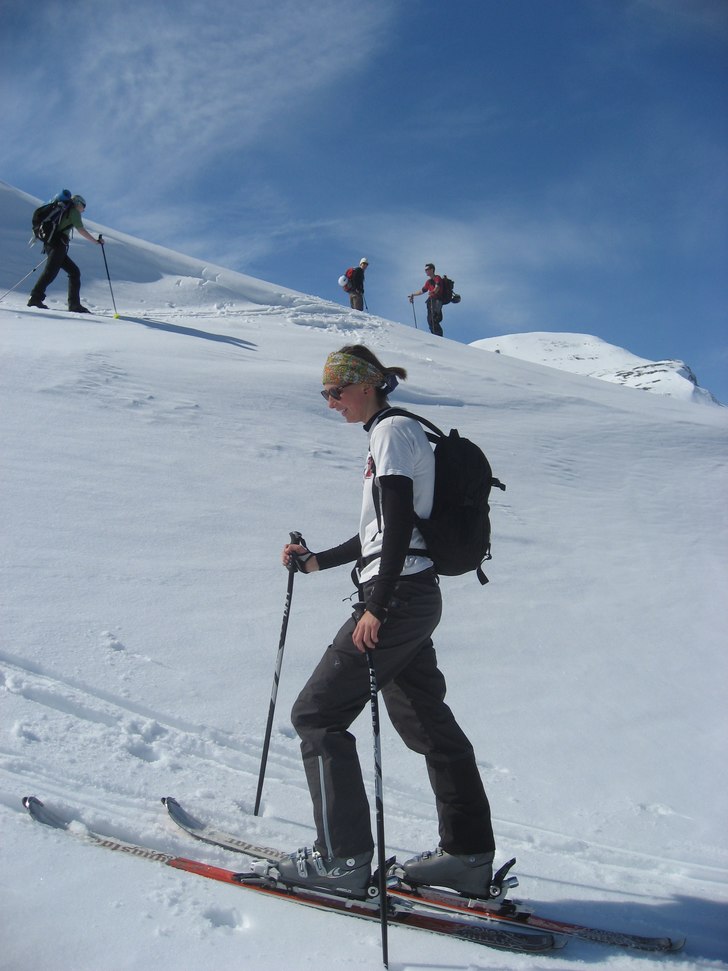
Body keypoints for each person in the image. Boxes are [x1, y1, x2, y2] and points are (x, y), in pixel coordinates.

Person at [278, 344, 496, 898]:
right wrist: (316, 562)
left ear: (364, 385)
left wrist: (377, 604)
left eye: (335, 391)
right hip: (411, 595)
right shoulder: (391, 434)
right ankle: (467, 855)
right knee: (428, 724)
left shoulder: (392, 432)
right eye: (325, 394)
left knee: (317, 715)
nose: (330, 402)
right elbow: (381, 531)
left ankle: (342, 860)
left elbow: (397, 524)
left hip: (396, 598)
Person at [28, 194, 103, 313]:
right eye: (83, 206)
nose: (83, 210)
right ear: (78, 203)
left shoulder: (65, 211)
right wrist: (96, 241)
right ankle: (35, 298)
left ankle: (74, 304)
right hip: (58, 244)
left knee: (74, 272)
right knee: (51, 271)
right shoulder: (74, 212)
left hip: (52, 243)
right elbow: (81, 229)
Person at [408, 263, 444, 336]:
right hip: (430, 301)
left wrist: (433, 291)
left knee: (434, 319)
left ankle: (439, 337)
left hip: (437, 301)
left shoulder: (437, 278)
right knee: (430, 320)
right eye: (425, 270)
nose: (426, 271)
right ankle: (435, 336)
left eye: (427, 269)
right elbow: (422, 291)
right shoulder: (428, 282)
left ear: (432, 270)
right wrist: (413, 294)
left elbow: (437, 287)